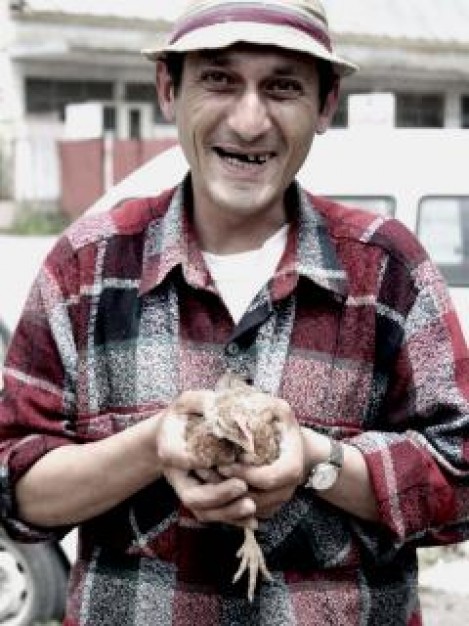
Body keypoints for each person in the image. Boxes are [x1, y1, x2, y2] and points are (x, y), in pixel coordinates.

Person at [1, 0, 469, 623]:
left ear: (326, 103)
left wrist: (316, 461)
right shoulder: (87, 266)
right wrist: (153, 449)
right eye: (219, 79)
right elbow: (16, 485)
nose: (250, 122)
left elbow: (460, 482)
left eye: (282, 86)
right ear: (169, 89)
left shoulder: (387, 268)